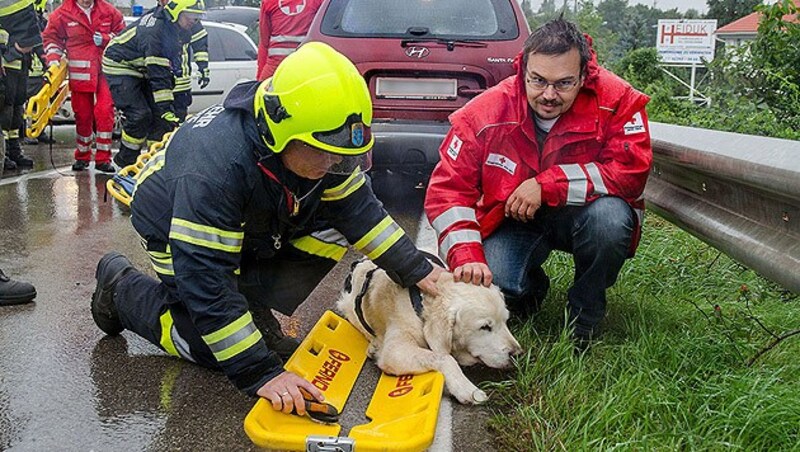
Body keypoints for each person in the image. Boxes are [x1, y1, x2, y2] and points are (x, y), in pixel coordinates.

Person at [90, 42, 443, 415]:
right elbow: (206, 278)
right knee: (216, 346)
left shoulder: (312, 139)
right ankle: (121, 290)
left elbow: (360, 213)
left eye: (344, 152)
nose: (335, 161)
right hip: (173, 227)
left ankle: (252, 307)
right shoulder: (215, 171)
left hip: (248, 220)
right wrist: (262, 373)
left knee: (336, 226)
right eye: (326, 151)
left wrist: (417, 270)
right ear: (280, 132)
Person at [424, 18, 653, 345]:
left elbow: (631, 172)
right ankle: (530, 292)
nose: (548, 95)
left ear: (584, 75)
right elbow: (448, 192)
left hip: (584, 216)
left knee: (610, 222)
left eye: (563, 84)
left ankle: (584, 318)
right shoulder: (485, 114)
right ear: (522, 71)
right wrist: (467, 255)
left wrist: (548, 185)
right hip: (513, 219)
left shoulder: (618, 101)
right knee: (499, 282)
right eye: (538, 80)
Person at [102, 0, 202, 168]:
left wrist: (166, 110)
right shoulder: (156, 33)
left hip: (143, 66)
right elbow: (159, 74)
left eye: (197, 17)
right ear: (176, 12)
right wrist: (166, 108)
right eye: (190, 16)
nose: (194, 21)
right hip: (120, 64)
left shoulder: (177, 27)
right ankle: (124, 164)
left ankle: (153, 165)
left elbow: (168, 68)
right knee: (140, 115)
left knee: (160, 119)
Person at [42, 0, 124, 173]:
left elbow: (124, 35)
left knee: (104, 112)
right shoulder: (62, 13)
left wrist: (106, 39)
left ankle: (103, 158)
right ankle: (82, 156)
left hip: (105, 70)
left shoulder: (108, 11)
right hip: (80, 73)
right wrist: (54, 60)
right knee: (83, 115)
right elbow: (51, 39)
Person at [1, 0, 43, 171]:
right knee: (6, 107)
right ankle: (4, 153)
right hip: (8, 64)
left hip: (21, 63)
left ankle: (13, 149)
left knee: (17, 107)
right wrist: (14, 51)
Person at [257, 0, 322, 80]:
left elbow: (264, 44)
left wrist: (259, 79)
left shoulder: (269, 2)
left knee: (263, 90)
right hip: (305, 66)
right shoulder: (316, 2)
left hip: (275, 67)